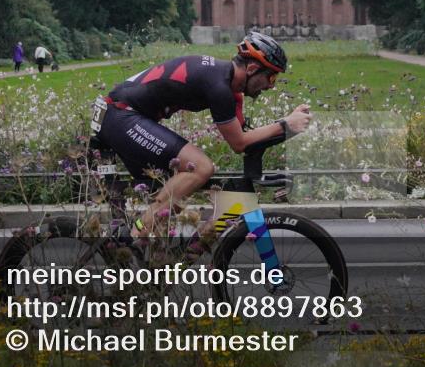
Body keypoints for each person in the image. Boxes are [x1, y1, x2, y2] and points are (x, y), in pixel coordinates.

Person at [91, 32, 311, 245]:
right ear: (252, 68)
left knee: (178, 193)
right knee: (201, 168)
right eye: (271, 76)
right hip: (120, 114)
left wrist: (287, 128)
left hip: (122, 116)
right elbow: (239, 143)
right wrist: (284, 124)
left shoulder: (230, 90)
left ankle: (160, 259)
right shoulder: (218, 85)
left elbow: (247, 140)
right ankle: (136, 234)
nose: (272, 85)